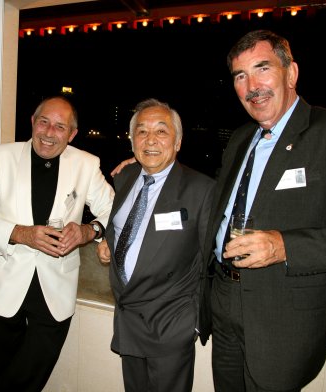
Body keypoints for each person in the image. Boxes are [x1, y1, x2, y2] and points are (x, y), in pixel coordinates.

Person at [196, 29, 326, 392]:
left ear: (291, 74)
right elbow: (216, 203)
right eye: (240, 76)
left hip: (283, 318)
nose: (251, 85)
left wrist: (284, 246)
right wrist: (149, 169)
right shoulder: (241, 137)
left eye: (262, 69)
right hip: (223, 301)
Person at [0, 96, 115, 392]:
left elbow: (114, 210)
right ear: (33, 123)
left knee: (27, 378)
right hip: (0, 286)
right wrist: (21, 233)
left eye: (60, 126)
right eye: (44, 122)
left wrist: (90, 231)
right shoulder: (0, 156)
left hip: (55, 291)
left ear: (72, 134)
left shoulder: (86, 164)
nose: (49, 132)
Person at [97, 98, 215, 392]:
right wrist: (107, 242)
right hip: (128, 318)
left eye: (161, 131)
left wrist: (195, 322)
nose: (150, 139)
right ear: (132, 140)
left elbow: (212, 262)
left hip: (170, 327)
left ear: (177, 141)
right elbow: (120, 223)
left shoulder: (201, 190)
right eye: (141, 131)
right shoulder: (125, 176)